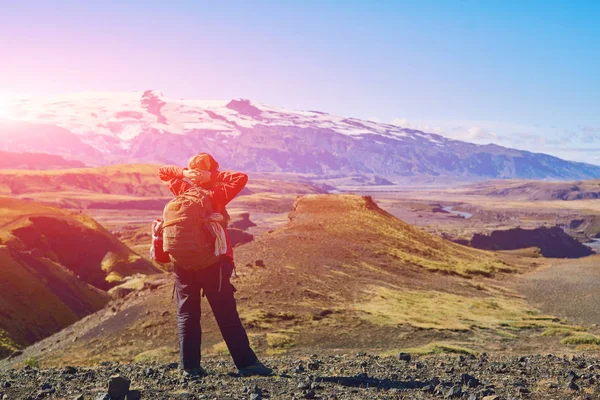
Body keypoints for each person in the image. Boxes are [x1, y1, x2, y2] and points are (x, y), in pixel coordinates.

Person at [158, 153, 272, 377]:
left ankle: (190, 367)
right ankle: (247, 364)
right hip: (213, 263)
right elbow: (240, 177)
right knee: (226, 313)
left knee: (187, 314)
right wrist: (213, 175)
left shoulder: (182, 190)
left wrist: (183, 174)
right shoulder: (217, 193)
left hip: (183, 264)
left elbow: (163, 172)